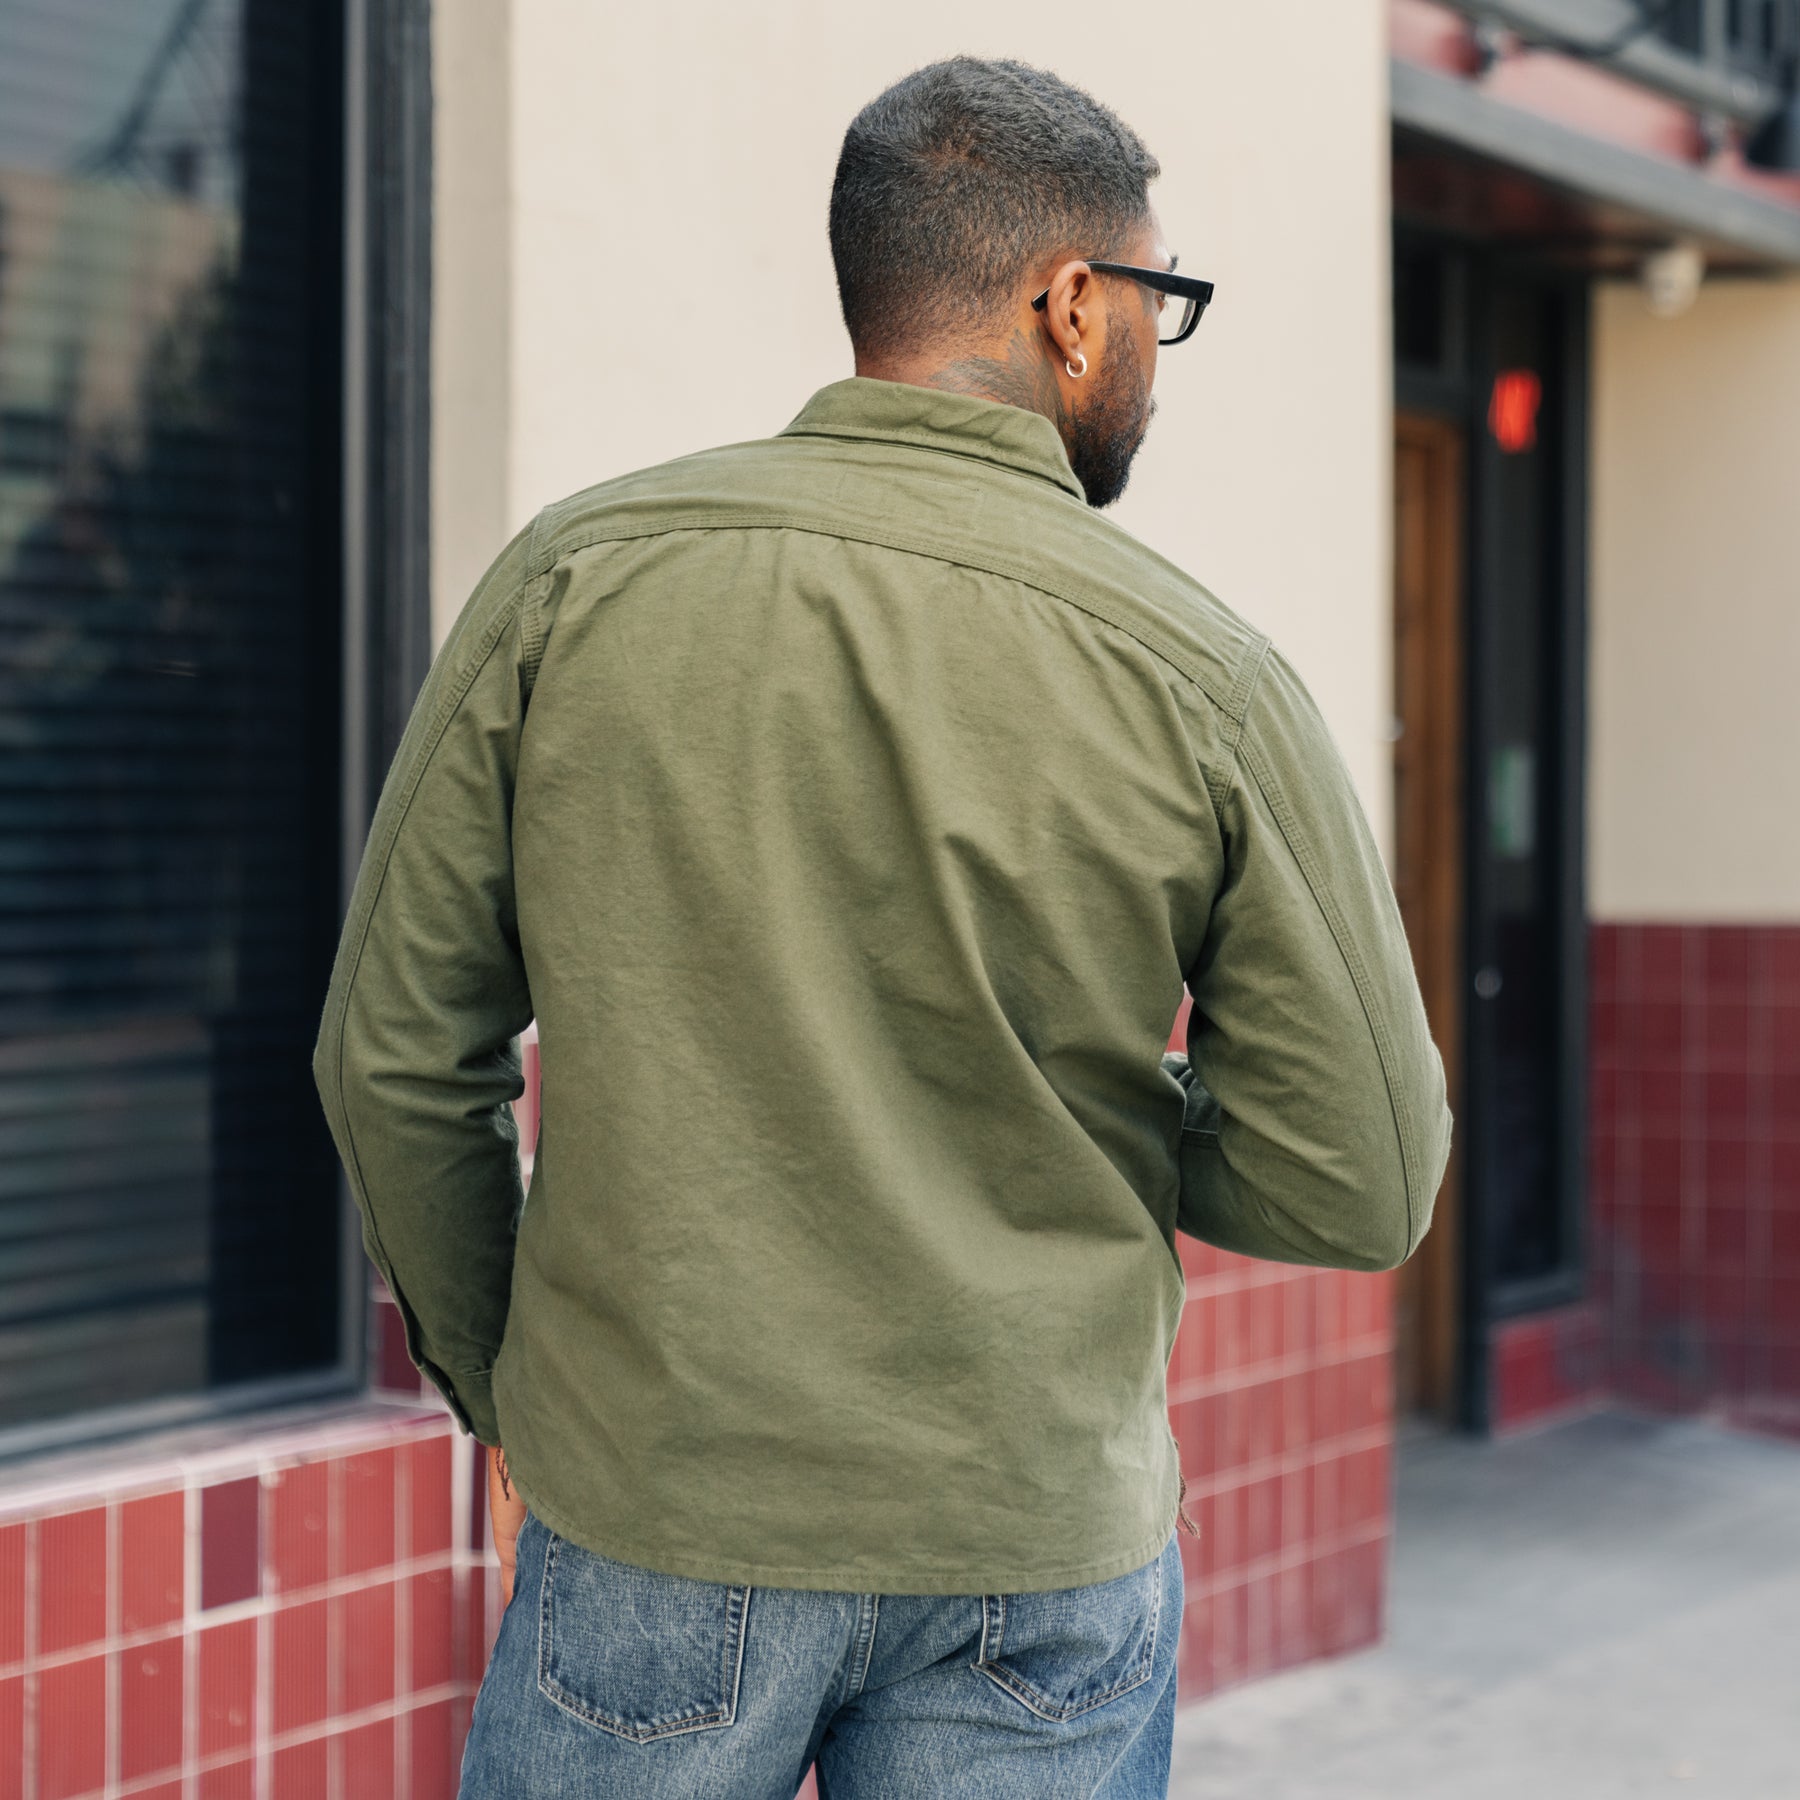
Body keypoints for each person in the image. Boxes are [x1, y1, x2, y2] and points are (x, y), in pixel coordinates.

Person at [314, 54, 1452, 1800]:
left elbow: (392, 1056)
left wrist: (509, 1390)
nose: (1155, 357)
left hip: (655, 1505)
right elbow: (1363, 1174)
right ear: (1071, 307)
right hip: (1034, 1540)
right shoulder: (1202, 672)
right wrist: (1089, 1116)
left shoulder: (575, 580)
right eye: (1158, 306)